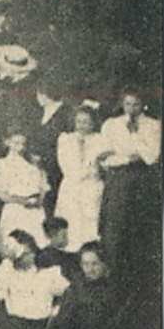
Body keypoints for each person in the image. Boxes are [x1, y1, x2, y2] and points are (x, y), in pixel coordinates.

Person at [97, 92, 160, 278]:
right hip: (117, 180)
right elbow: (104, 156)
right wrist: (128, 157)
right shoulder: (112, 124)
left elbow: (151, 156)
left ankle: (137, 275)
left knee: (138, 226)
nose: (131, 108)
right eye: (127, 104)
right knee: (114, 226)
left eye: (136, 104)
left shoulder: (153, 125)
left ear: (143, 105)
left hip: (141, 180)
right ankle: (114, 272)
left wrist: (135, 135)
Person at [55, 103, 112, 251]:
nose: (81, 125)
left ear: (93, 123)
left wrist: (96, 165)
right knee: (71, 221)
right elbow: (65, 165)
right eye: (79, 121)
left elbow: (102, 165)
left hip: (91, 187)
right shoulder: (65, 139)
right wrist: (84, 170)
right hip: (71, 186)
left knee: (90, 222)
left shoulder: (100, 140)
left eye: (86, 122)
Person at [0, 130, 49, 243]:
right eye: (16, 143)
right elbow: (0, 193)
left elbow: (43, 185)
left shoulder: (32, 164)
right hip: (15, 210)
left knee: (38, 241)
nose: (20, 147)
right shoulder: (3, 164)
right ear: (7, 142)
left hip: (34, 210)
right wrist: (24, 202)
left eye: (23, 144)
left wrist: (39, 200)